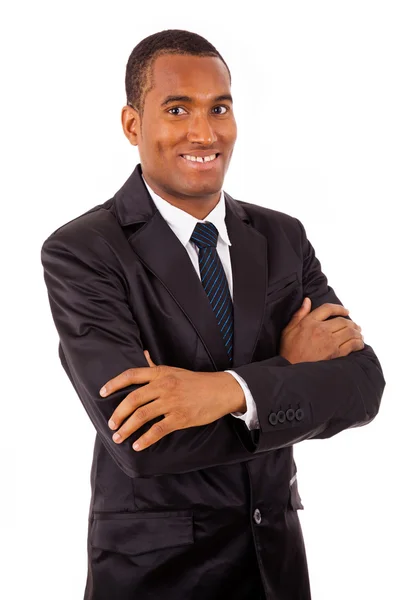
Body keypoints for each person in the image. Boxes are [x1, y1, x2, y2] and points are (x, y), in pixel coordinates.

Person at [41, 29, 385, 600]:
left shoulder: (281, 237)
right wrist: (288, 369)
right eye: (178, 109)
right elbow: (143, 442)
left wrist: (223, 392)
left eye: (219, 108)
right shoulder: (83, 251)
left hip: (276, 564)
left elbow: (363, 388)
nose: (205, 132)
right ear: (133, 125)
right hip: (155, 574)